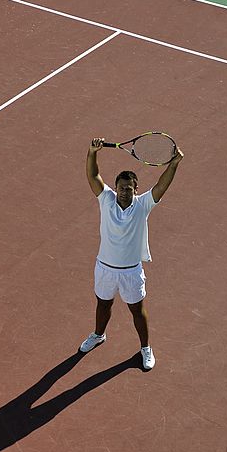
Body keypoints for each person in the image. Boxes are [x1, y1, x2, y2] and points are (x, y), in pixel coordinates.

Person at [80, 137, 184, 370]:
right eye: (121, 188)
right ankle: (98, 335)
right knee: (102, 305)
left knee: (137, 310)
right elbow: (93, 176)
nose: (124, 192)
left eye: (129, 188)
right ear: (115, 188)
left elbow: (160, 186)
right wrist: (92, 153)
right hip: (105, 268)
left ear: (136, 190)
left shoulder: (143, 205)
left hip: (131, 272)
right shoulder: (106, 200)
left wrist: (174, 164)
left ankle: (145, 348)